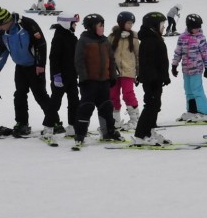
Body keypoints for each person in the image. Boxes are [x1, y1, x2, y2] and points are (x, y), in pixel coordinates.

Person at [0, 7, 60, 139]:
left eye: (0, 25)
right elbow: (3, 53)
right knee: (19, 95)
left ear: (7, 21)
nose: (0, 28)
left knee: (40, 95)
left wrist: (40, 64)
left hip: (35, 66)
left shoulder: (27, 24)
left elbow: (41, 44)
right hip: (20, 67)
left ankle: (54, 122)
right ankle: (22, 123)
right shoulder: (3, 32)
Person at [72, 14, 122, 147]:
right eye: (100, 25)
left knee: (106, 107)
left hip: (104, 81)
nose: (103, 28)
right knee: (86, 107)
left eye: (103, 25)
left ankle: (108, 132)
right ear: (91, 27)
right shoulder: (83, 41)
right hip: (89, 82)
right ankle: (80, 134)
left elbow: (111, 60)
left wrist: (112, 76)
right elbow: (79, 61)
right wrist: (83, 78)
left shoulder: (105, 41)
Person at [132, 12, 172, 145]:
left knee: (155, 105)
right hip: (151, 80)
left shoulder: (154, 38)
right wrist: (154, 78)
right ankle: (140, 135)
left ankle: (149, 130)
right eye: (162, 25)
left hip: (156, 79)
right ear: (153, 26)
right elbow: (148, 63)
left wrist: (164, 77)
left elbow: (161, 61)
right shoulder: (149, 41)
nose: (164, 28)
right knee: (151, 105)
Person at [171, 13, 207, 122]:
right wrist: (174, 65)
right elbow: (178, 52)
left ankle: (204, 112)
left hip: (197, 69)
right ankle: (192, 111)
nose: (197, 30)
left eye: (199, 27)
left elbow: (205, 53)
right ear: (189, 26)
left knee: (197, 90)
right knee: (188, 90)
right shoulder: (182, 37)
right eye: (195, 27)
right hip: (186, 69)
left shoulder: (200, 38)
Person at [49, 14, 81, 136]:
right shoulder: (58, 37)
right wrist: (56, 75)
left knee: (74, 102)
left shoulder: (71, 36)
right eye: (74, 23)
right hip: (60, 77)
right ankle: (48, 127)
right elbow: (54, 58)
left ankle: (72, 126)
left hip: (72, 76)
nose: (75, 25)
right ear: (67, 23)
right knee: (55, 103)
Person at [109, 11, 141, 130]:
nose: (130, 25)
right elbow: (108, 55)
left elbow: (138, 56)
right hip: (114, 72)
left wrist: (138, 72)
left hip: (128, 71)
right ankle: (115, 120)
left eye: (132, 23)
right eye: (128, 23)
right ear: (121, 23)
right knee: (113, 95)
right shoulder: (112, 37)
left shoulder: (134, 38)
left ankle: (135, 119)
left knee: (128, 94)